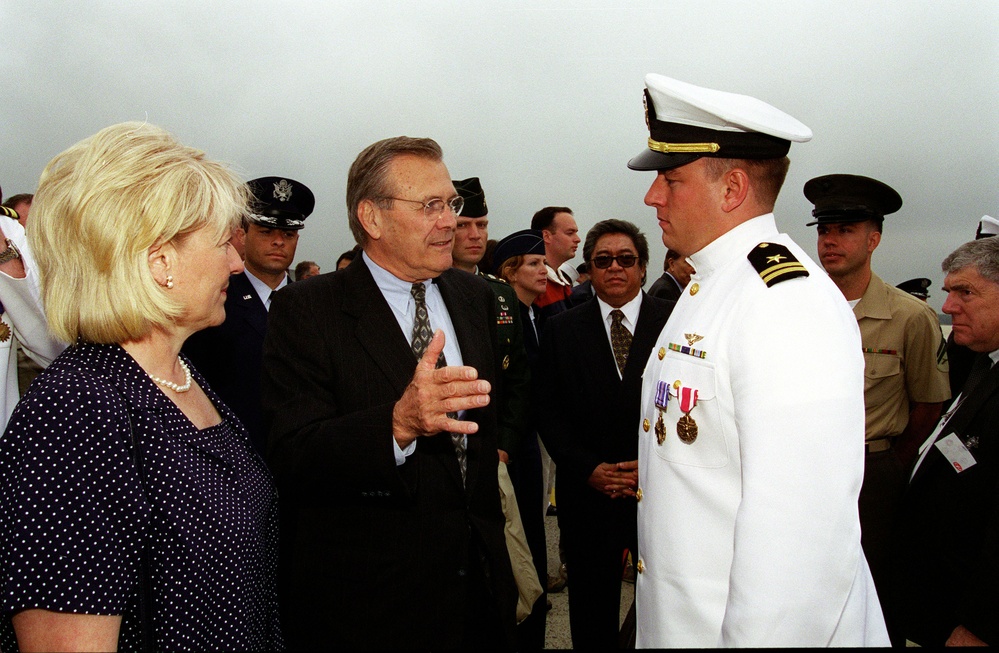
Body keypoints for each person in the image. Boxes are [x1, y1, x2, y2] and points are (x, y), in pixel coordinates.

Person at [627, 73, 888, 647]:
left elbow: (800, 539)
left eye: (671, 179)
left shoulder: (784, 301)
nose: (652, 197)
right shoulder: (714, 283)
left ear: (733, 188)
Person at [0, 122, 281, 651]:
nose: (236, 262)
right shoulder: (75, 413)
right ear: (159, 261)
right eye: (223, 243)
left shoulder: (181, 377)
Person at [261, 136, 517, 650]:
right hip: (372, 604)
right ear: (372, 218)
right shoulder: (307, 310)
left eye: (451, 204)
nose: (449, 221)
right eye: (430, 206)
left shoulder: (475, 296)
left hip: (479, 591)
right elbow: (292, 454)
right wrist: (397, 425)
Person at [806, 173, 950, 614]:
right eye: (824, 230)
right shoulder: (798, 307)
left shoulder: (910, 317)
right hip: (805, 468)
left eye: (845, 230)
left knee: (871, 592)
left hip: (873, 476)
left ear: (874, 240)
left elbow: (929, 403)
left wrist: (893, 461)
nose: (830, 241)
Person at [535, 219, 673, 649]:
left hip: (660, 493)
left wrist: (653, 467)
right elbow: (548, 410)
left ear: (643, 267)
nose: (615, 267)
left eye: (626, 259)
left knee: (667, 609)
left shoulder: (676, 324)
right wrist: (588, 468)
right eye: (603, 260)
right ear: (590, 269)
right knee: (592, 613)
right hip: (588, 495)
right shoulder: (561, 330)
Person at [889, 237, 999, 647]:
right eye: (949, 291)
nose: (948, 306)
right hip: (933, 600)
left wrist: (980, 625)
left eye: (965, 292)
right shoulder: (983, 362)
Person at [452, 177, 543, 649]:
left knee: (513, 558)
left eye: (482, 224)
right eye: (464, 224)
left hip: (499, 452)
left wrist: (505, 443)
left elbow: (519, 378)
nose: (475, 234)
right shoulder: (425, 289)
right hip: (446, 452)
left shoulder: (500, 294)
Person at [183, 176, 314, 454]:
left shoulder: (314, 307)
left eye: (288, 235)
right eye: (266, 232)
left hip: (301, 458)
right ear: (242, 235)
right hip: (233, 454)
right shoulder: (214, 301)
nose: (278, 242)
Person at [531, 206, 580, 317]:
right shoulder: (534, 285)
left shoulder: (561, 284)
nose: (577, 239)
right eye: (570, 233)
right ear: (546, 236)